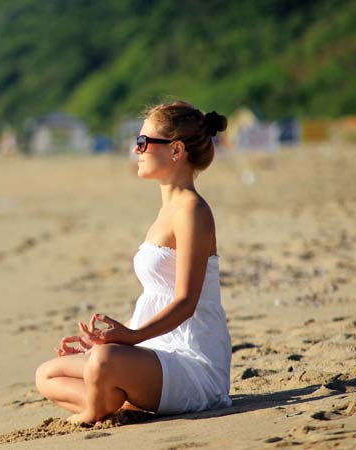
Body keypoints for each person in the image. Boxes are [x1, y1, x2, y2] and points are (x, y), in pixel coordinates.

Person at [35, 101, 231, 424]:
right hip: (153, 351)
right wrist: (110, 340)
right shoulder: (165, 212)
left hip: (191, 363)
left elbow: (186, 302)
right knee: (48, 374)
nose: (135, 149)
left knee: (101, 362)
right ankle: (115, 397)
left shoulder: (192, 211)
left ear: (176, 150)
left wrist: (129, 337)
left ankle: (96, 408)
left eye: (143, 142)